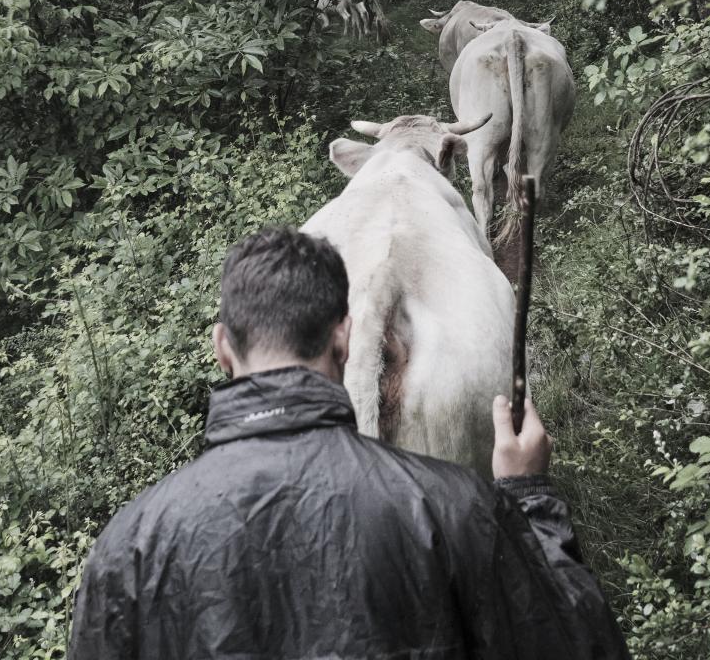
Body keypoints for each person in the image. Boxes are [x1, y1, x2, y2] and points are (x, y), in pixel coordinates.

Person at [68, 225, 630, 659]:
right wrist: (528, 496)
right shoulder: (456, 506)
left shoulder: (130, 545)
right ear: (344, 337)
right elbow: (573, 642)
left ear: (222, 347)